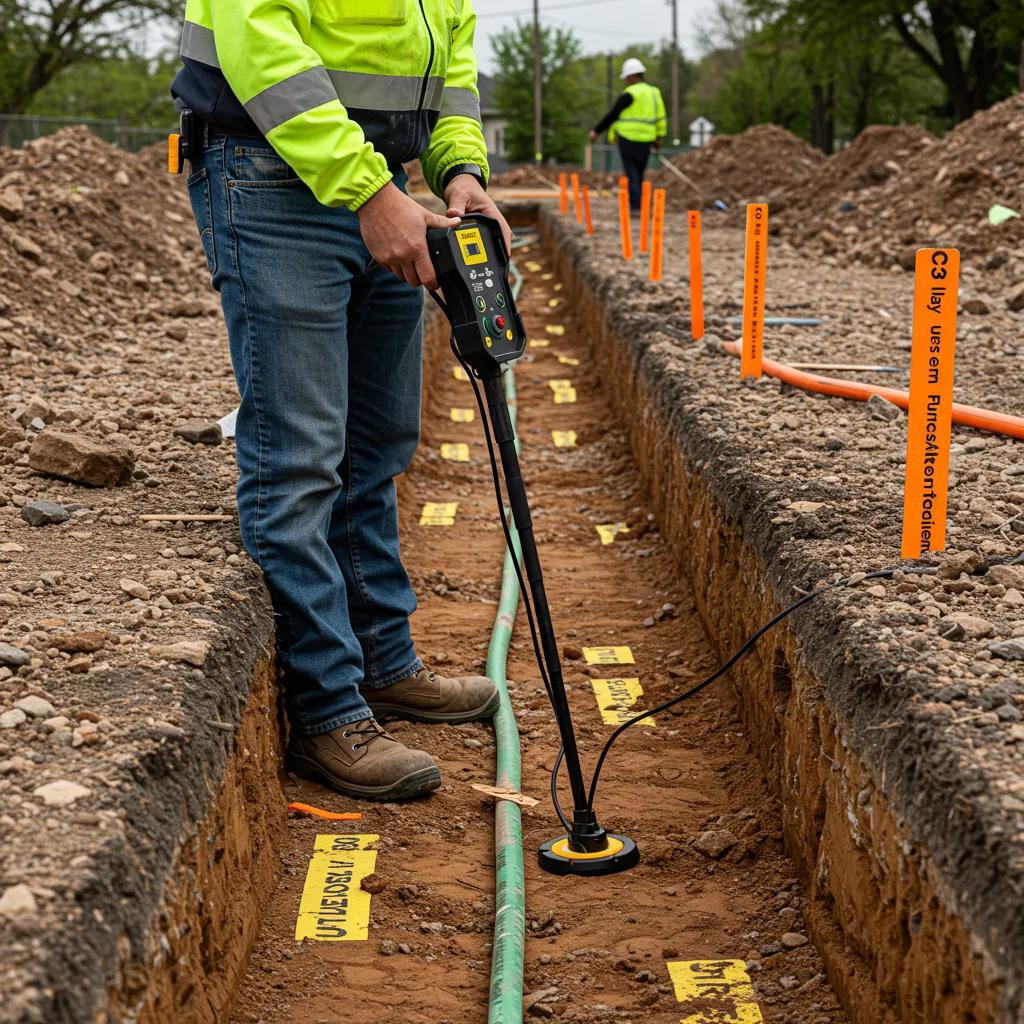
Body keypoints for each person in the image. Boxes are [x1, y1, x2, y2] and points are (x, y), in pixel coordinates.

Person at [170, 0, 511, 802]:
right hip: (269, 180)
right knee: (299, 458)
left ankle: (384, 665)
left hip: (380, 185)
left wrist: (461, 171)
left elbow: (448, 73)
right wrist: (368, 192)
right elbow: (262, 49)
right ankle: (328, 710)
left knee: (375, 445)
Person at [589, 58, 667, 212]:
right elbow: (661, 117)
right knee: (640, 173)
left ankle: (636, 206)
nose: (626, 80)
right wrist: (658, 137)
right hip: (646, 139)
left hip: (628, 138)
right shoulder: (654, 92)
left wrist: (596, 131)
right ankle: (642, 205)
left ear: (632, 76)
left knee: (631, 173)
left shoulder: (630, 94)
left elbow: (613, 114)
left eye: (626, 77)